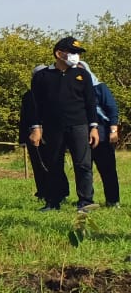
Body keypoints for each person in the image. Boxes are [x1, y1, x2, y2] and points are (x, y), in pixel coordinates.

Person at [28, 36, 99, 213]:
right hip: (52, 128)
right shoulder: (42, 77)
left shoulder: (82, 75)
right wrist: (36, 128)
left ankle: (85, 200)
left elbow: (91, 103)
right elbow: (35, 105)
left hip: (79, 126)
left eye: (79, 53)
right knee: (53, 164)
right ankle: (53, 201)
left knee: (83, 164)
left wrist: (94, 127)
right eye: (73, 52)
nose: (77, 56)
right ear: (59, 54)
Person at [19, 68, 67, 202]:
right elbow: (24, 117)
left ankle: (61, 192)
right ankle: (42, 192)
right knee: (38, 164)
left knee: (55, 163)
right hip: (32, 137)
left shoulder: (55, 94)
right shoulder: (28, 96)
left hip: (53, 135)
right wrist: (23, 138)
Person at [81, 60, 120, 208]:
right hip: (81, 134)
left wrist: (113, 130)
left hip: (102, 133)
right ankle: (86, 201)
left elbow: (112, 108)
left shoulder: (99, 87)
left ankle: (113, 200)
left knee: (107, 168)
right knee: (84, 169)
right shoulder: (74, 90)